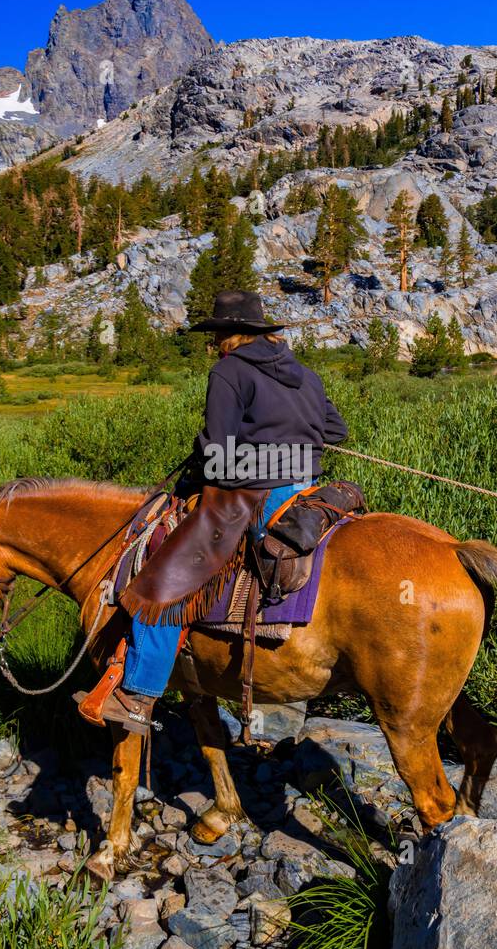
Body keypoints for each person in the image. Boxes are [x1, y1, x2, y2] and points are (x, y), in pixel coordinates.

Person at [83, 290, 348, 733]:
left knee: (165, 575)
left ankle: (137, 695)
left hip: (254, 494)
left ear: (229, 336)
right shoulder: (306, 374)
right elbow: (335, 431)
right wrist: (292, 438)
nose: (215, 345)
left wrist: (207, 454)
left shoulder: (229, 371)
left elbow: (218, 452)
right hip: (307, 488)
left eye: (217, 335)